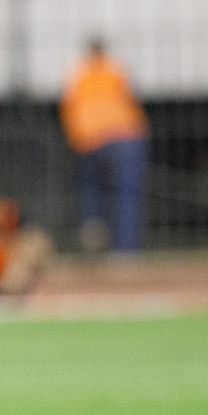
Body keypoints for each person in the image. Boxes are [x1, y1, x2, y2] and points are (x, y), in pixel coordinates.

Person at [60, 37, 149, 255]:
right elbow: (129, 98)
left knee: (91, 184)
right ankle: (125, 249)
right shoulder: (116, 68)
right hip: (125, 134)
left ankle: (93, 221)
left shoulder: (78, 72)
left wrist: (77, 138)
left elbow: (69, 108)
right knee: (126, 193)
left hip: (92, 137)